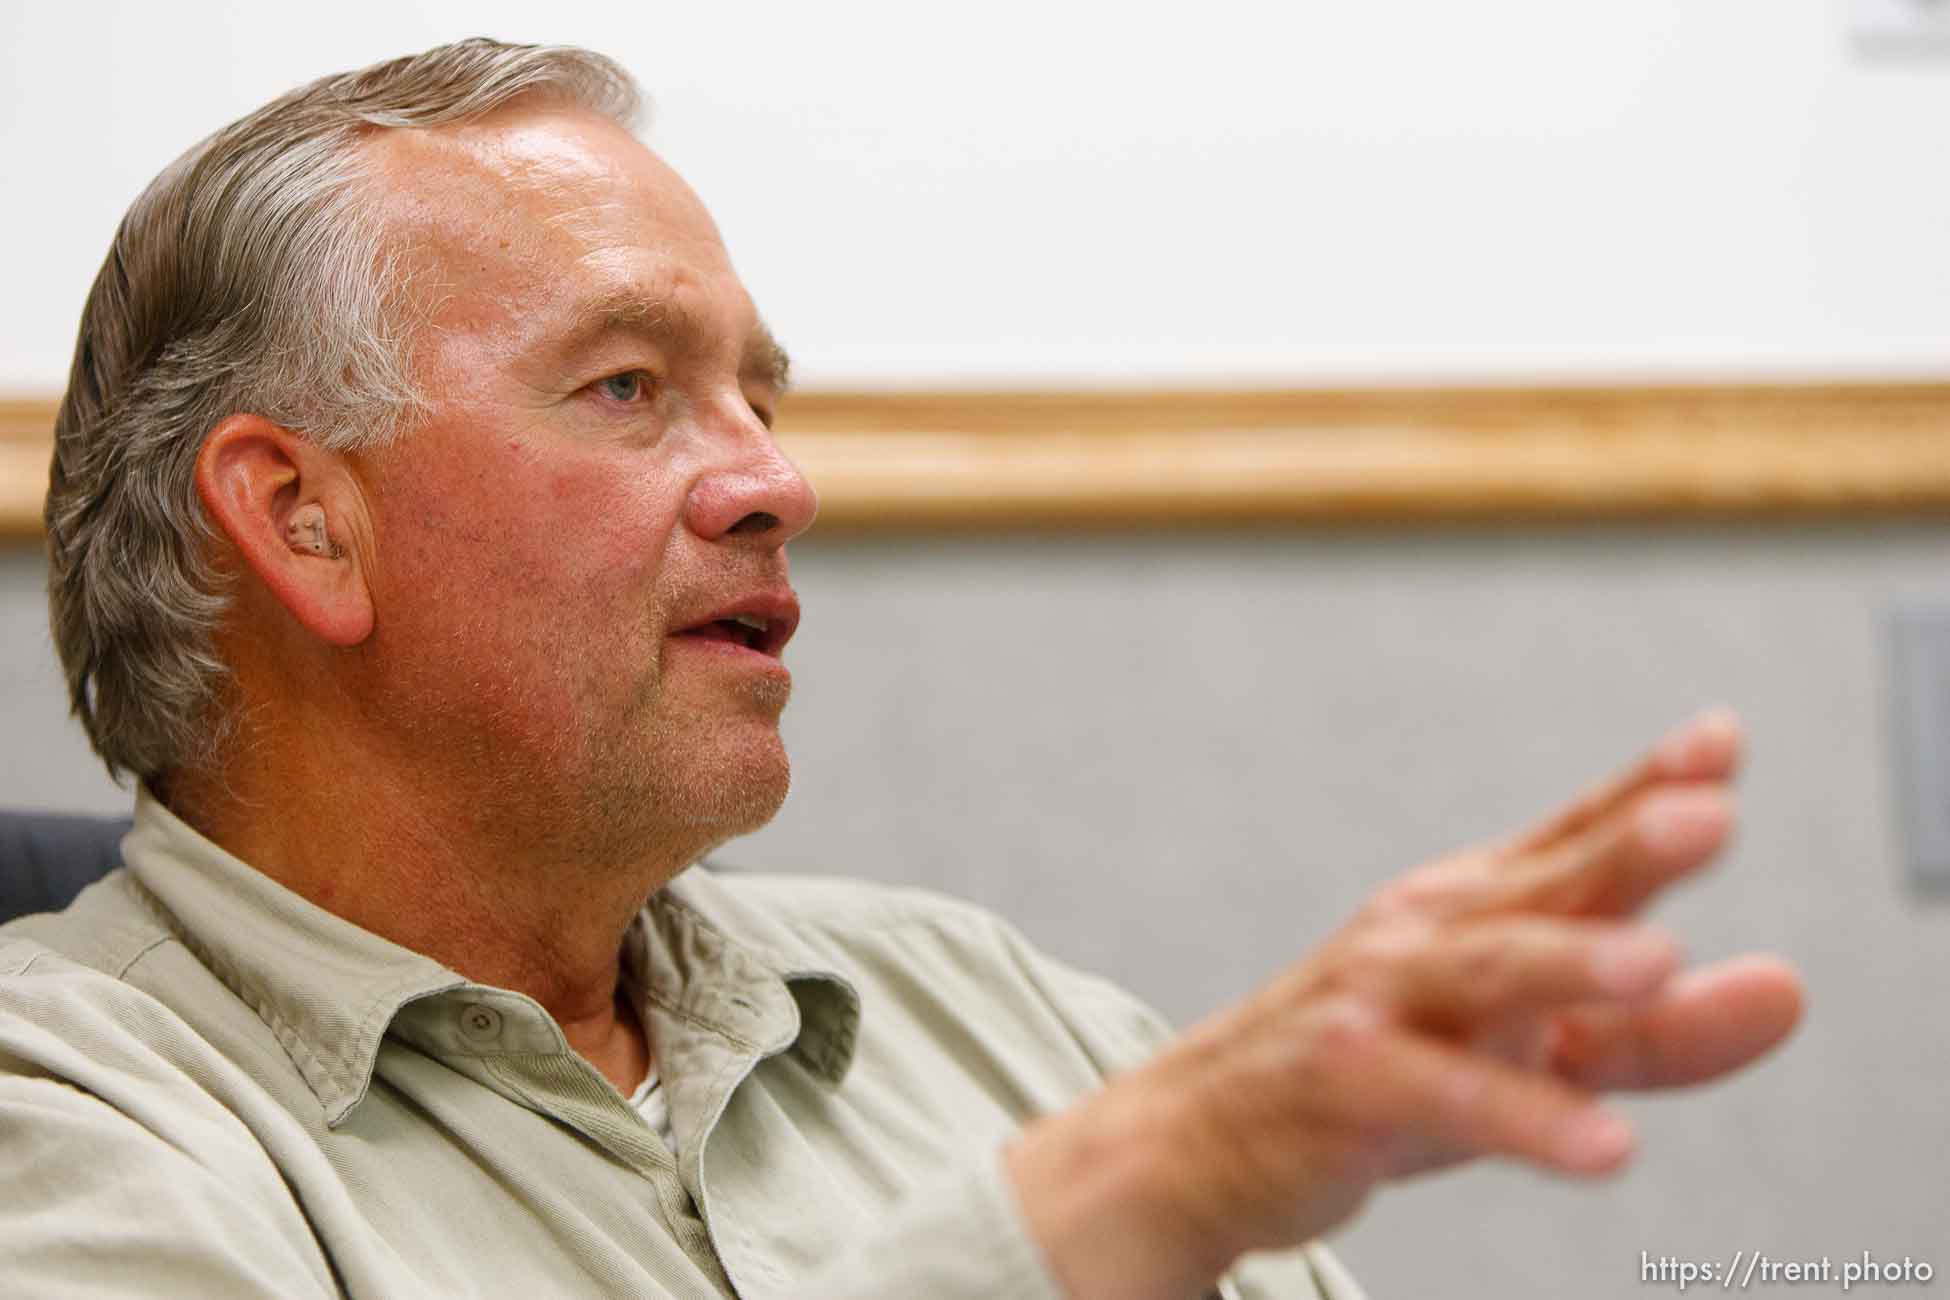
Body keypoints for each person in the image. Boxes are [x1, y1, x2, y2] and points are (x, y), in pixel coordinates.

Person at [0, 38, 1802, 1300]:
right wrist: (1109, 1207)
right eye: (627, 386)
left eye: (759, 399)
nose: (775, 481)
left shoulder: (985, 1002)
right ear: (303, 520)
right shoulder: (70, 1119)